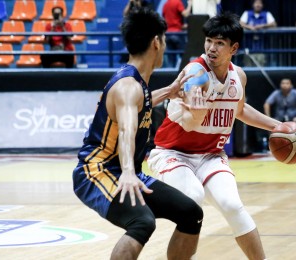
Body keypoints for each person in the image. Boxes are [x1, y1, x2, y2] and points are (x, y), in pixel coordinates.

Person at [148, 12, 282, 259]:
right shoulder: (195, 74)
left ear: (234, 48)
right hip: (173, 153)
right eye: (209, 40)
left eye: (220, 43)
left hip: (210, 155)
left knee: (232, 206)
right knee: (192, 200)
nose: (212, 47)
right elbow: (189, 123)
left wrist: (277, 126)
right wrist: (198, 114)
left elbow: (239, 110)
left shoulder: (238, 76)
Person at [72, 8, 203, 260]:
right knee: (142, 222)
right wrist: (130, 174)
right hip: (97, 171)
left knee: (190, 212)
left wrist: (169, 91)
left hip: (123, 170)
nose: (164, 46)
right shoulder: (128, 87)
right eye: (163, 40)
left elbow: (138, 105)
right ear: (157, 41)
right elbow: (126, 130)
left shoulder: (135, 83)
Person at [240, 0, 277, 67]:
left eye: (260, 3)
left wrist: (262, 26)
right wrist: (249, 27)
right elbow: (240, 23)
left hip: (262, 48)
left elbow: (274, 24)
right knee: (248, 69)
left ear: (262, 5)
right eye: (256, 3)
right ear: (253, 4)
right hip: (248, 49)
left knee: (261, 68)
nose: (258, 5)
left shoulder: (267, 14)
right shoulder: (247, 13)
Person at [162, 0, 192, 68]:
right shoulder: (177, 2)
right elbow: (186, 14)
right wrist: (190, 4)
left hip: (168, 35)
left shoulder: (166, 4)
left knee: (171, 61)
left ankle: (170, 78)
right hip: (178, 34)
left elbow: (167, 20)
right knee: (184, 58)